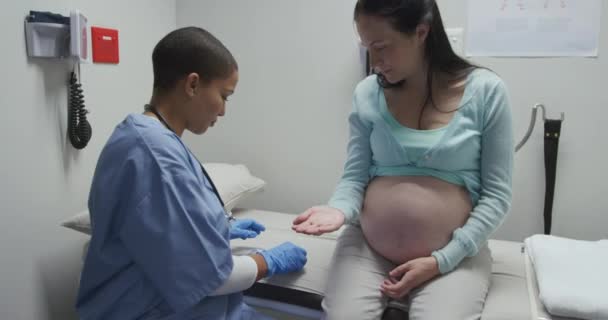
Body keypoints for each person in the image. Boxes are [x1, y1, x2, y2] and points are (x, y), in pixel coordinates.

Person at [293, 0, 513, 319]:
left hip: (454, 253)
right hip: (369, 246)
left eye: (381, 46)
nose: (375, 60)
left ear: (421, 32)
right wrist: (338, 210)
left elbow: (497, 196)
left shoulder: (486, 92)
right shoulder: (368, 92)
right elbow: (355, 177)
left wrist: (443, 259)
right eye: (367, 47)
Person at [76, 27, 307, 320]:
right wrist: (268, 260)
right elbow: (214, 279)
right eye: (224, 95)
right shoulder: (157, 156)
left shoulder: (141, 135)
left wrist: (216, 227)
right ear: (193, 85)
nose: (223, 111)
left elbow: (157, 223)